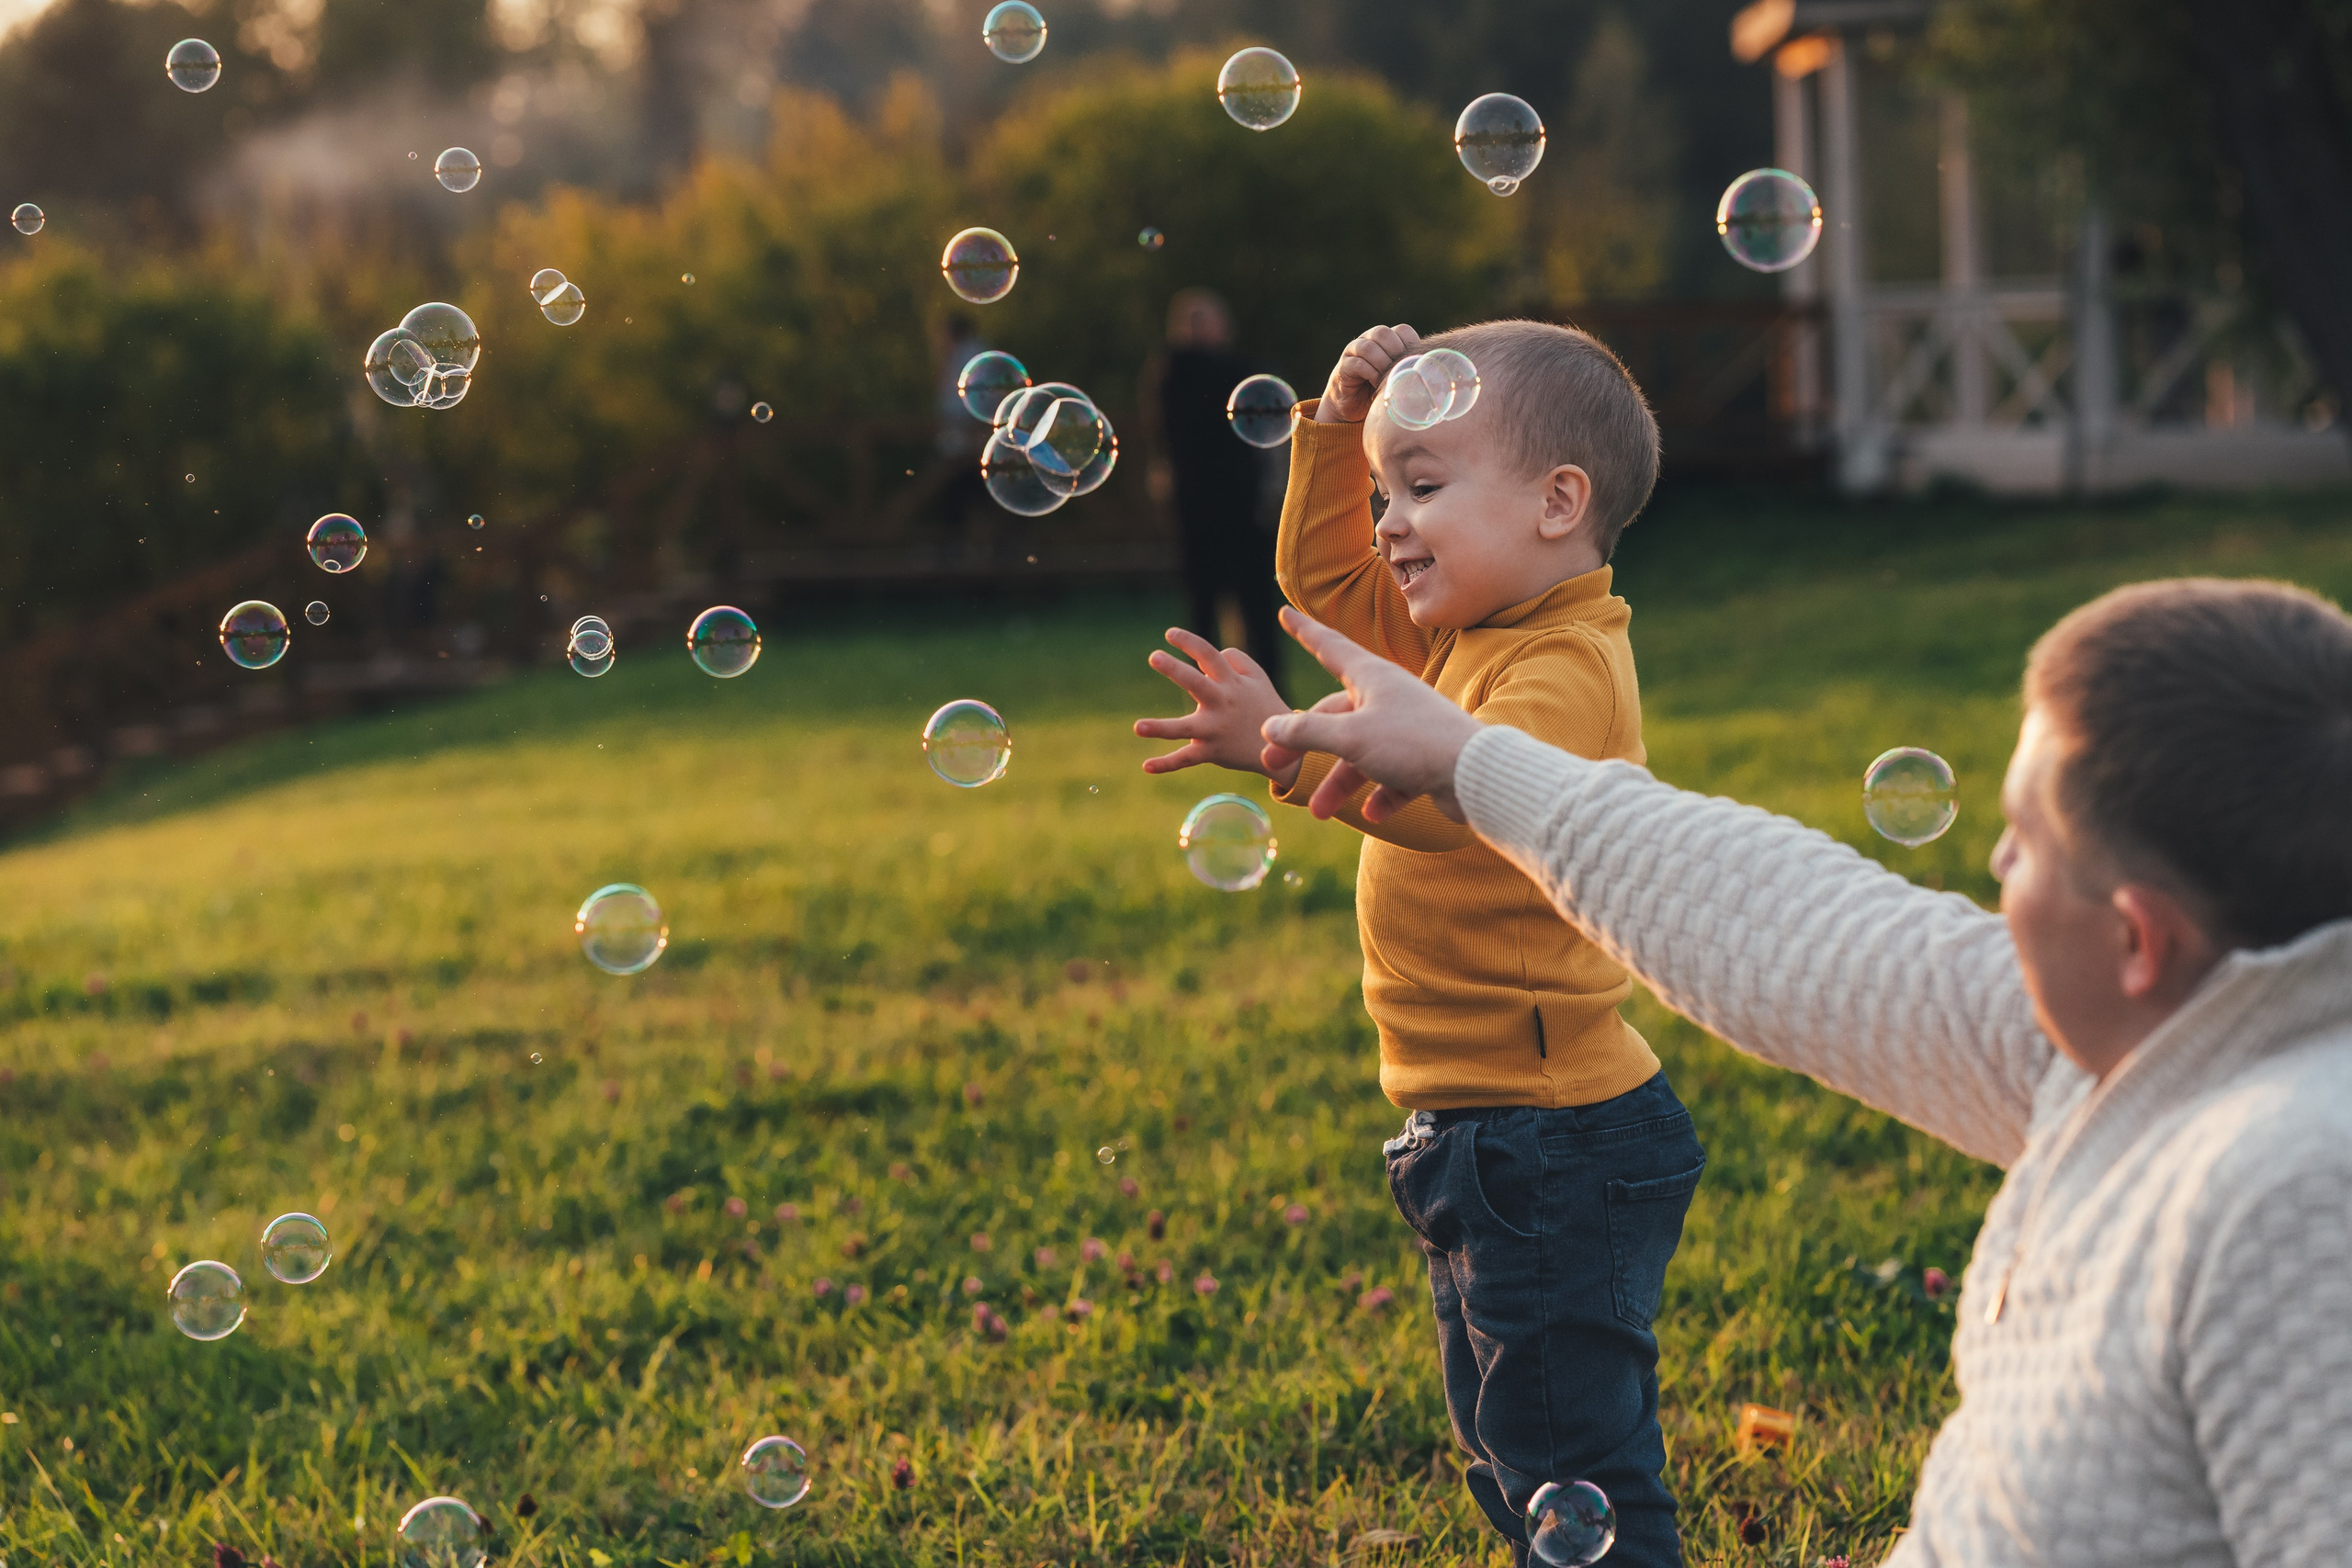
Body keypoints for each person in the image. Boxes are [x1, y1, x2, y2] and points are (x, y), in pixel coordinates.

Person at [1261, 578, 2352, 1565]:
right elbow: (1803, 930)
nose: (1995, 865)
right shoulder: (2147, 1037)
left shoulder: (2298, 1199)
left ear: (2135, 940)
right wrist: (1465, 760)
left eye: (2025, 842)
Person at [1136, 321, 1696, 1564]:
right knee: (1514, 1440)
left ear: (1560, 503)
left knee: (1570, 1450)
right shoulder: (1464, 641)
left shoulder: (1558, 662)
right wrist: (1338, 432)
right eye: (1387, 493)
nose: (1390, 522)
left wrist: (1287, 737)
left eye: (1424, 488)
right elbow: (1326, 595)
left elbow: (1467, 799)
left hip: (1547, 1135)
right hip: (1481, 1132)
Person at [1149, 288, 1285, 695]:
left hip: (1231, 504)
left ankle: (1263, 686)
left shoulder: (1198, 372)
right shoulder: (1181, 373)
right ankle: (1212, 688)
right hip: (1206, 505)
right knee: (1208, 602)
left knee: (1249, 600)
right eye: (1204, 320)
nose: (1214, 327)